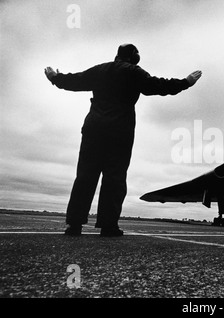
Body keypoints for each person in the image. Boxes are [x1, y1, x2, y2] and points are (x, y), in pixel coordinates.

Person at [44, 44, 202, 236]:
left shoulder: (100, 70)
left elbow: (75, 81)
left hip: (94, 128)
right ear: (134, 57)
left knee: (85, 175)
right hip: (120, 131)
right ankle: (108, 225)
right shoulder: (134, 72)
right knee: (114, 178)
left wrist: (55, 78)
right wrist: (186, 82)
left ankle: (74, 224)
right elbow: (160, 86)